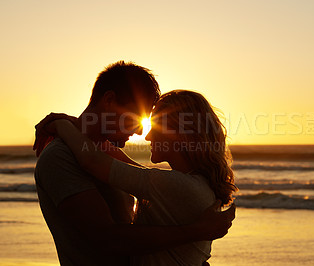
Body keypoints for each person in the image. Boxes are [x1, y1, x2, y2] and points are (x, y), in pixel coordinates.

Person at [34, 62, 235, 266]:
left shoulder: (172, 182)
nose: (142, 133)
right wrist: (194, 232)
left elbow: (108, 162)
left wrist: (65, 125)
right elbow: (108, 238)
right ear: (109, 100)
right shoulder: (60, 157)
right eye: (135, 118)